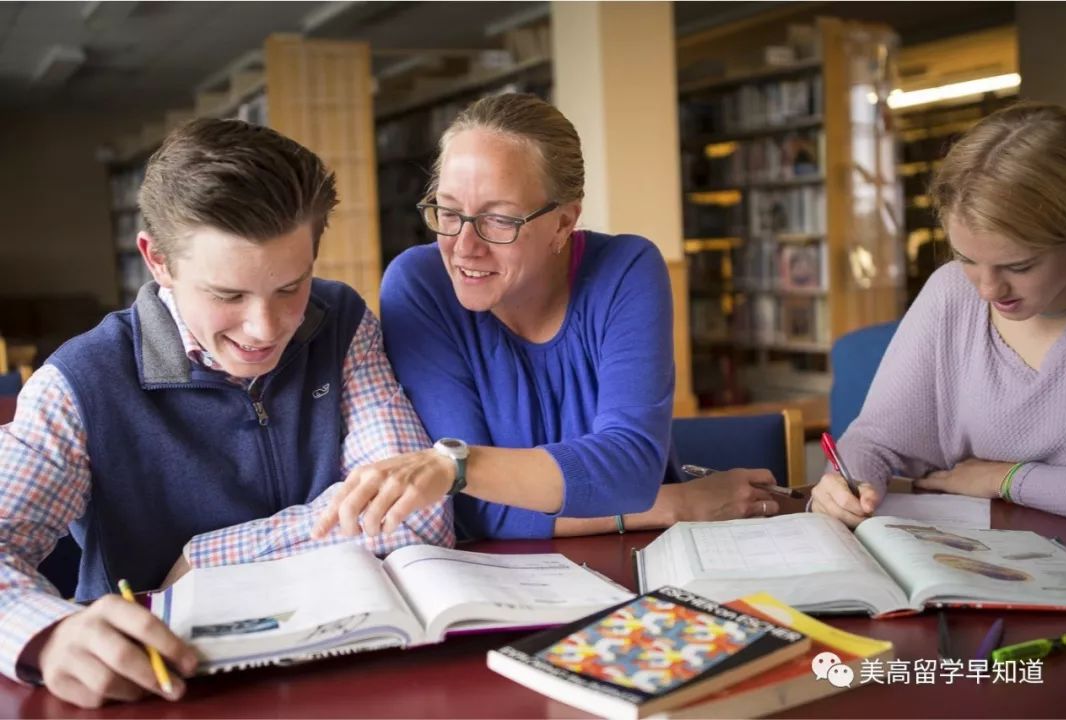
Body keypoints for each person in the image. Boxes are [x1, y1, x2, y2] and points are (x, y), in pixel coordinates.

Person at [0, 119, 452, 707]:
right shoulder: (76, 385)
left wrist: (204, 555)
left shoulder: (342, 321)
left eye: (291, 287)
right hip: (166, 690)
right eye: (228, 295)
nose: (265, 331)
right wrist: (48, 634)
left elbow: (413, 514)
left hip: (348, 676)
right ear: (157, 260)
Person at [313, 93, 780, 543]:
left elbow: (630, 466)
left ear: (563, 223)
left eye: (499, 220)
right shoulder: (419, 285)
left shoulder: (627, 269)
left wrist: (457, 468)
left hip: (647, 555)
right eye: (449, 211)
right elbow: (475, 511)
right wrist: (679, 505)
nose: (463, 245)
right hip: (509, 576)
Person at [811, 101, 1066, 526]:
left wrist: (1005, 478)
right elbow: (876, 439)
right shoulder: (952, 291)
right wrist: (845, 484)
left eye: (1019, 266)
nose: (989, 290)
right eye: (967, 258)